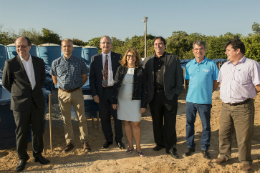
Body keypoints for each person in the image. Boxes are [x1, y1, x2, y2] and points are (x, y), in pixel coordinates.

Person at [2, 37, 50, 172]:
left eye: (23, 46)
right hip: (20, 103)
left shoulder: (39, 62)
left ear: (29, 47)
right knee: (21, 132)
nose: (20, 49)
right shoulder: (10, 63)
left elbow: (41, 80)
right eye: (18, 46)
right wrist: (19, 93)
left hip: (37, 102)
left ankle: (37, 154)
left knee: (38, 130)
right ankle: (22, 158)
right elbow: (6, 83)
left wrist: (32, 93)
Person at [213, 38, 260, 172]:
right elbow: (220, 83)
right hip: (226, 106)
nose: (226, 52)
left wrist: (246, 93)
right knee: (224, 132)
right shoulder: (225, 66)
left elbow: (258, 86)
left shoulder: (252, 65)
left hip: (243, 106)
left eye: (228, 50)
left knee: (244, 135)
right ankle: (224, 155)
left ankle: (245, 160)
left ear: (237, 50)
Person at [143, 36, 183, 158]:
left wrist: (176, 93)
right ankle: (159, 143)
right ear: (153, 46)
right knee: (156, 121)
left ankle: (171, 147)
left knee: (170, 122)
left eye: (160, 44)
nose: (158, 46)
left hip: (169, 95)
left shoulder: (173, 58)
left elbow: (179, 78)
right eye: (156, 44)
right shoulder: (148, 60)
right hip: (154, 95)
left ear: (165, 45)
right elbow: (145, 79)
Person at [50, 38, 90, 152]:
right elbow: (54, 79)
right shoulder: (55, 63)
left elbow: (84, 77)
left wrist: (76, 87)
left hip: (77, 92)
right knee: (66, 119)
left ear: (72, 48)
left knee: (81, 118)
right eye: (64, 46)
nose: (67, 48)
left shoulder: (80, 61)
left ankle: (85, 141)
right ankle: (69, 142)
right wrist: (64, 88)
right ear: (61, 48)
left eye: (69, 46)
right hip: (62, 94)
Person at [183, 40, 219, 159]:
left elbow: (216, 81)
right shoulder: (189, 65)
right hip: (190, 100)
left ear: (205, 50)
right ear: (193, 51)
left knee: (206, 126)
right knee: (189, 124)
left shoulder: (211, 64)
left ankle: (204, 147)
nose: (199, 51)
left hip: (205, 101)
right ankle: (190, 146)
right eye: (196, 49)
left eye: (201, 48)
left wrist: (209, 91)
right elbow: (188, 80)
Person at [89, 35, 125, 149]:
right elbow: (92, 78)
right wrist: (94, 94)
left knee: (117, 117)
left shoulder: (118, 57)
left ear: (111, 45)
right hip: (101, 93)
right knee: (104, 118)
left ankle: (119, 140)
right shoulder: (95, 59)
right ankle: (108, 139)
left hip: (114, 92)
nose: (106, 45)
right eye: (103, 43)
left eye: (108, 43)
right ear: (100, 45)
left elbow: (122, 77)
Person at [112, 48, 147, 157]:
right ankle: (130, 146)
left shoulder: (141, 70)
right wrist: (114, 101)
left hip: (136, 101)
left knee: (136, 124)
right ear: (125, 57)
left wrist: (144, 105)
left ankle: (138, 147)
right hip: (122, 101)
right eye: (128, 55)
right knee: (126, 123)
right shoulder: (120, 69)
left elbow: (145, 89)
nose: (130, 58)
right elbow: (116, 85)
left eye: (133, 56)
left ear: (136, 57)